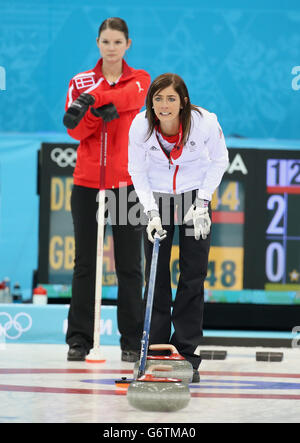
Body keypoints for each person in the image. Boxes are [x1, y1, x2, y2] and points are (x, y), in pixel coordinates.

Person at [128, 73, 229, 382]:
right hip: (156, 198)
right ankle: (157, 352)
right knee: (155, 276)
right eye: (158, 99)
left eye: (171, 98)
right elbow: (136, 169)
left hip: (193, 196)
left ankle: (185, 353)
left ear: (183, 100)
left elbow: (220, 161)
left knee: (193, 274)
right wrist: (150, 212)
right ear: (151, 102)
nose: (164, 105)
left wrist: (201, 203)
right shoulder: (140, 126)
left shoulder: (205, 123)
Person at [64, 18, 151, 362]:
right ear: (97, 43)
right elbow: (76, 130)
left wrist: (97, 100)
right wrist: (97, 114)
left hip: (126, 185)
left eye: (117, 42)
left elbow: (132, 99)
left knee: (129, 264)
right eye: (105, 41)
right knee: (85, 263)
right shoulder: (79, 80)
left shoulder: (141, 78)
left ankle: (131, 340)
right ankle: (79, 340)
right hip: (88, 182)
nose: (111, 47)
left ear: (127, 44)